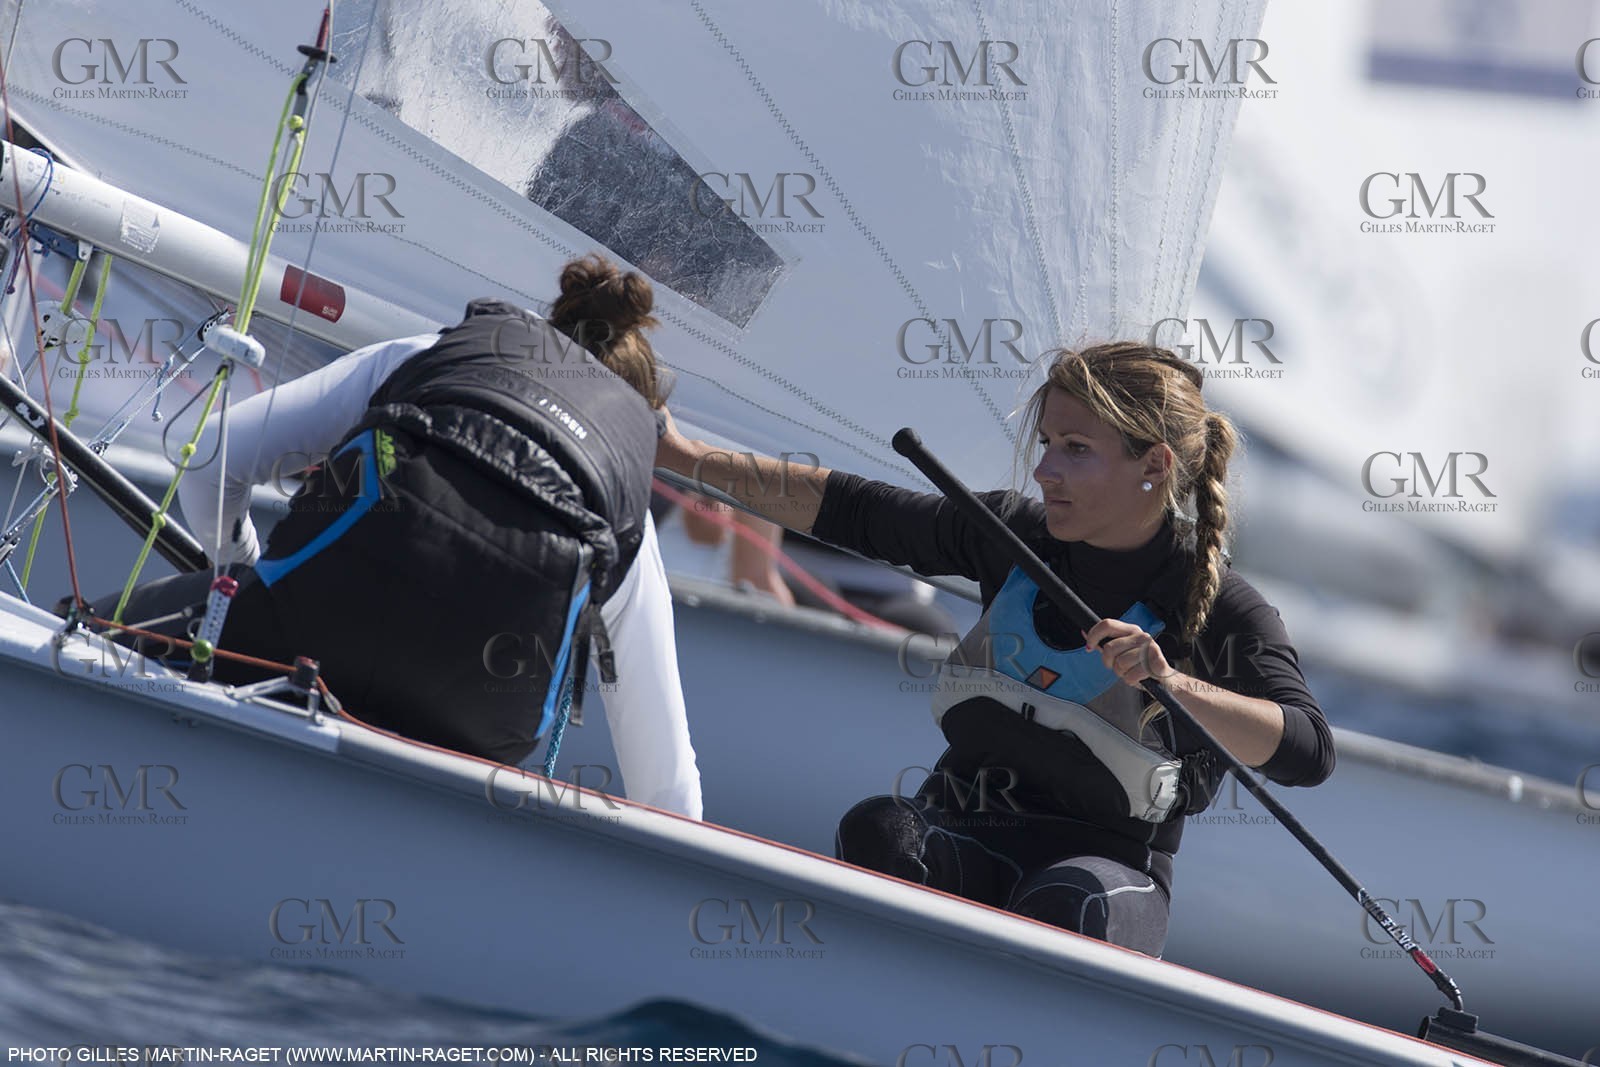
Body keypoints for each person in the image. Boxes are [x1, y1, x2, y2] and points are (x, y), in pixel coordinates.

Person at [654, 341, 1334, 955]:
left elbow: (1308, 749)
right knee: (880, 831)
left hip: (1104, 877)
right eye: (1045, 444)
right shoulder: (1009, 533)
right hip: (959, 830)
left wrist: (1171, 682)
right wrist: (680, 456)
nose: (1045, 471)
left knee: (1066, 903)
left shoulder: (1217, 603)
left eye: (1074, 448)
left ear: (1153, 464)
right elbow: (851, 509)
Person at [77, 254, 702, 819]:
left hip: (298, 635)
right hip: (472, 732)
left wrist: (240, 572)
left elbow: (214, 457)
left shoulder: (432, 357)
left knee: (85, 633)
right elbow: (665, 784)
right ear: (632, 408)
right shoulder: (628, 507)